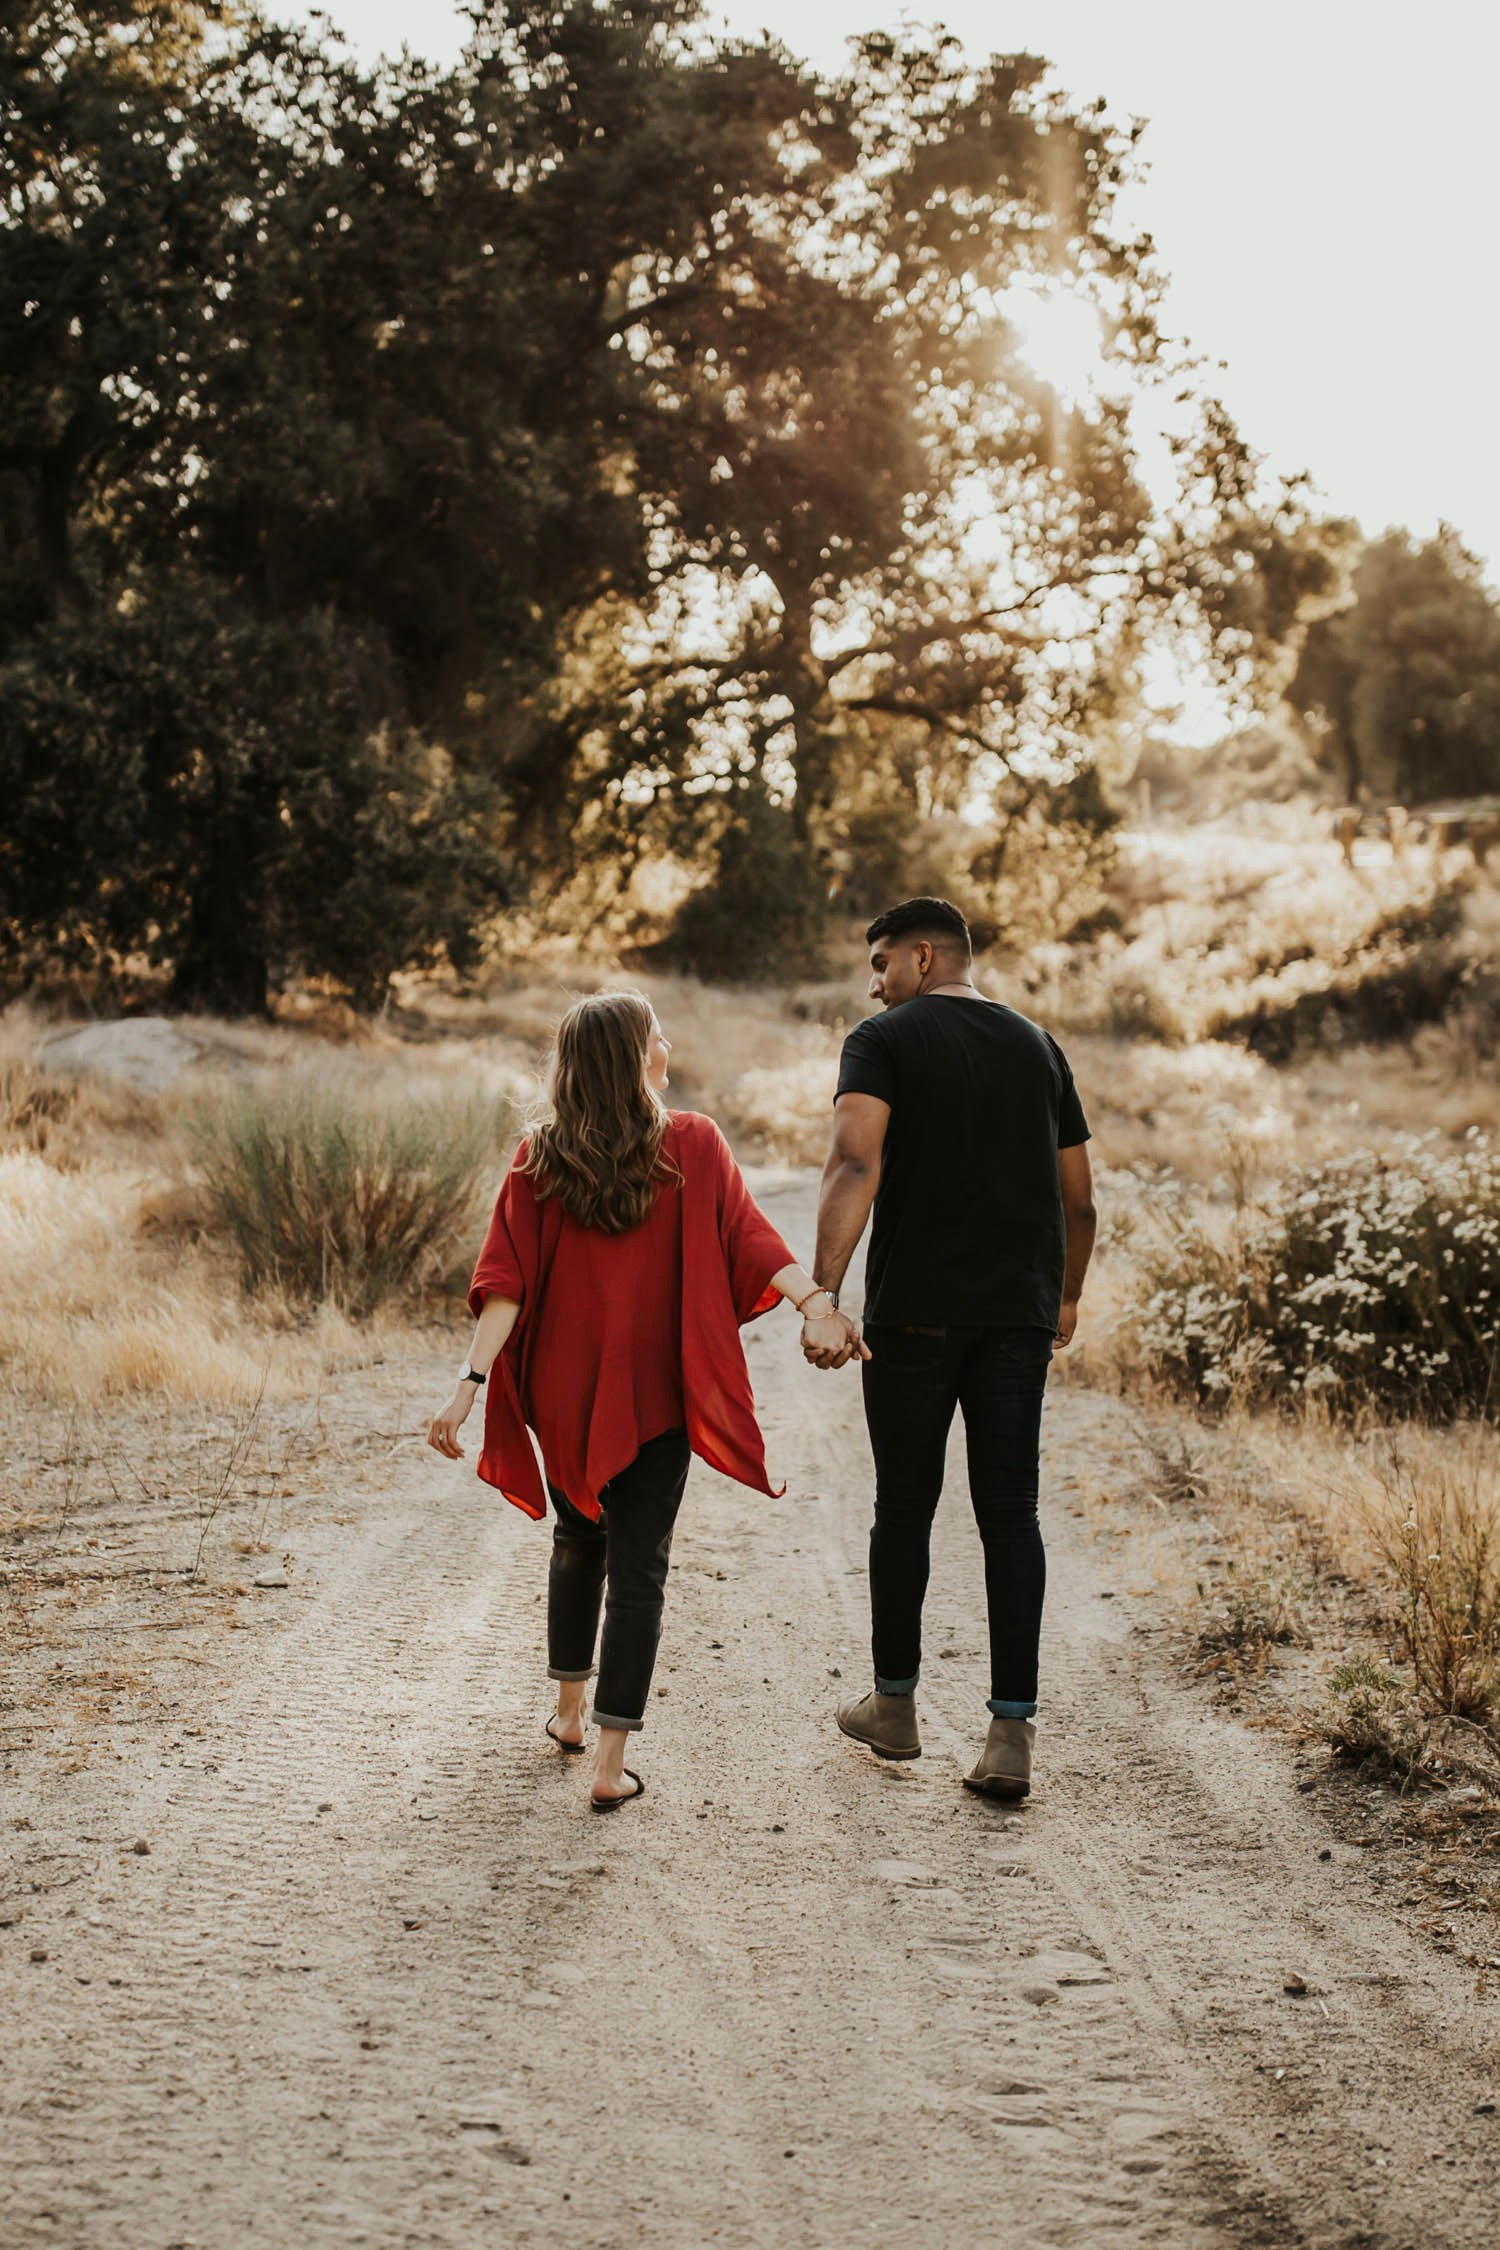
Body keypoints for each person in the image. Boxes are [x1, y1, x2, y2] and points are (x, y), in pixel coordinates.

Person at [426, 991, 863, 1810]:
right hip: (655, 1389)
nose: (668, 1045)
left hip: (564, 1391)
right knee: (640, 1569)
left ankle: (567, 1715)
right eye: (657, 1036)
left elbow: (504, 1290)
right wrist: (817, 1304)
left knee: (577, 1536)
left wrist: (467, 1389)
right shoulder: (691, 1142)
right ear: (636, 1058)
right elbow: (754, 1239)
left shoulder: (537, 1159)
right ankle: (608, 1766)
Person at [804, 897, 1096, 1800]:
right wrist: (1069, 1295)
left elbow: (855, 1163)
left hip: (916, 1316)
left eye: (883, 961)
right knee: (1011, 1512)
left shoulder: (884, 1041)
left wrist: (824, 1292)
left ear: (925, 959)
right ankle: (1010, 1734)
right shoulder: (1040, 1046)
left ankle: (895, 1710)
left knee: (905, 1507)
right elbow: (1078, 1197)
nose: (874, 981)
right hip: (1018, 1317)